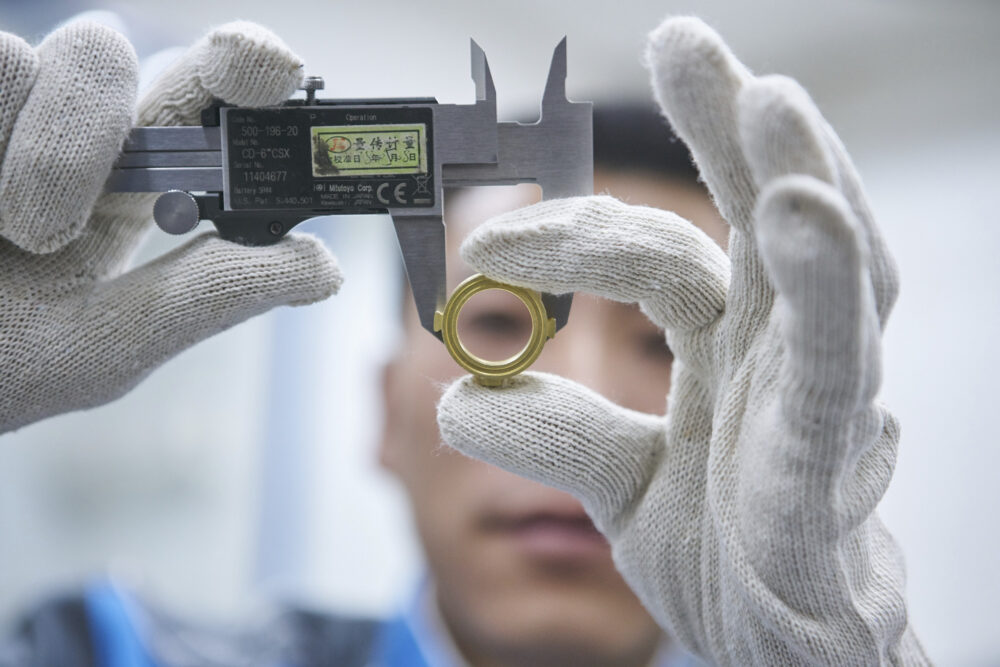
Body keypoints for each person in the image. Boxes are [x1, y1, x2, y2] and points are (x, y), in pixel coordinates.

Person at [0, 15, 928, 667]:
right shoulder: (99, 650)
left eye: (667, 340)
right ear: (385, 413)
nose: (584, 395)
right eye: (496, 321)